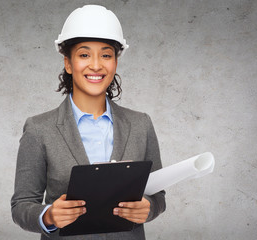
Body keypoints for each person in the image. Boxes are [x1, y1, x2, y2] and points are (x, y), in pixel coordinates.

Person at [11, 5, 166, 240]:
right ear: (68, 63)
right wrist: (49, 215)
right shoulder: (39, 129)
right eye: (84, 55)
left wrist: (149, 207)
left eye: (106, 55)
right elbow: (22, 205)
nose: (96, 65)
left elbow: (158, 195)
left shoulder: (140, 124)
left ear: (115, 62)